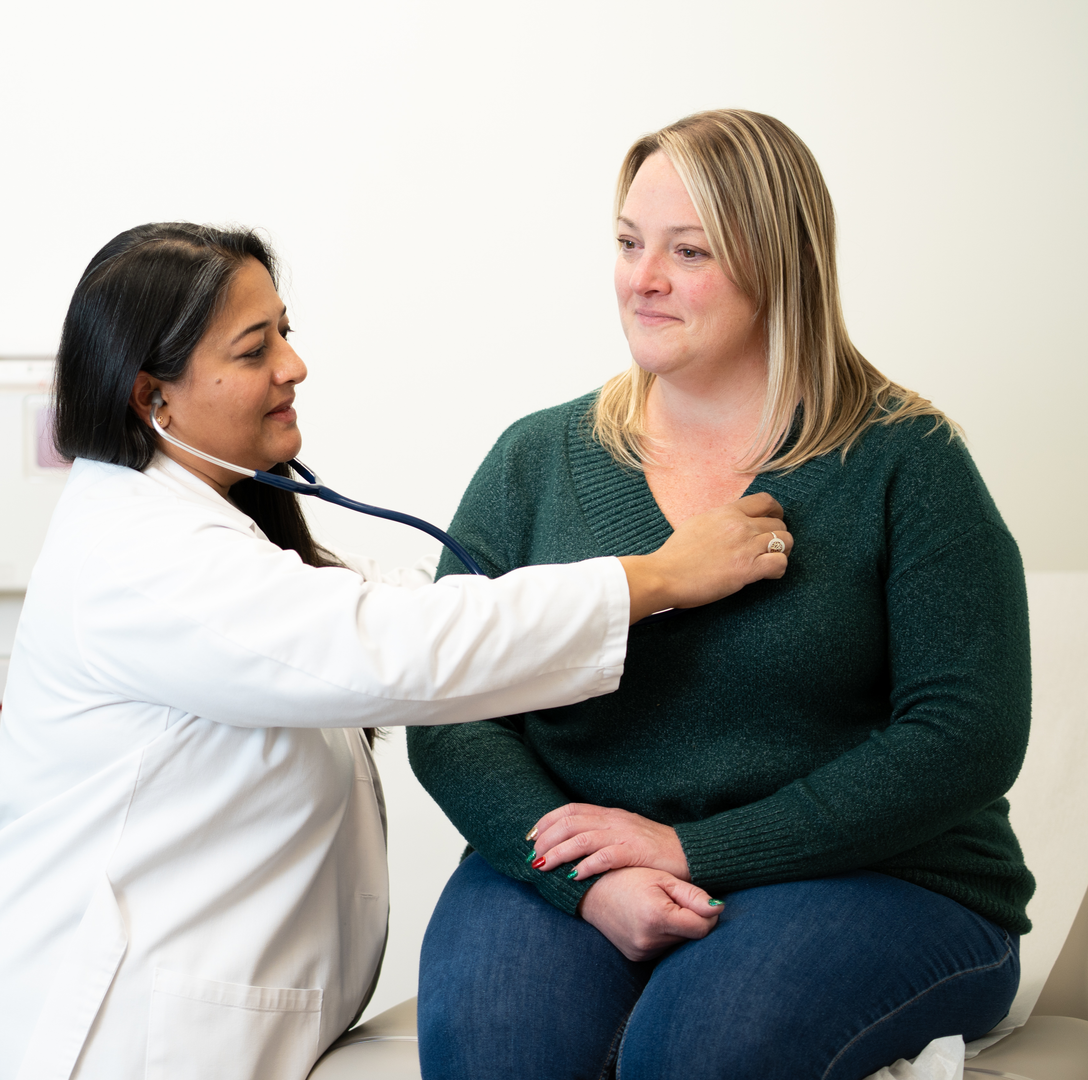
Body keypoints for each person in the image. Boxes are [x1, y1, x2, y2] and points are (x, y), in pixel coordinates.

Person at [0, 222, 791, 1080]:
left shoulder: (205, 531)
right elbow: (390, 649)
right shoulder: (138, 561)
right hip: (110, 1038)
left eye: (285, 335)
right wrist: (659, 578)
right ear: (154, 396)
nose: (293, 367)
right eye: (255, 349)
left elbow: (400, 602)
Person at [408, 110, 1033, 1080]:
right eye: (627, 243)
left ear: (781, 264)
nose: (641, 279)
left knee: (700, 1050)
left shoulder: (908, 461)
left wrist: (690, 849)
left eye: (687, 251)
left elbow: (966, 735)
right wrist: (587, 884)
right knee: (496, 1047)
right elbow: (452, 705)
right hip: (579, 860)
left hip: (873, 874)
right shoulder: (537, 460)